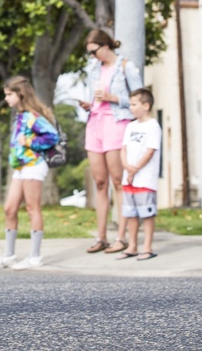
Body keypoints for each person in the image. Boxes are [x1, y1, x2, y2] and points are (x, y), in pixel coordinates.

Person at [78, 29, 143, 255]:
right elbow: (94, 98)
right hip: (95, 124)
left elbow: (140, 100)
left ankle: (122, 236)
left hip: (116, 124)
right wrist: (89, 104)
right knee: (99, 182)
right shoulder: (94, 68)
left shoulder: (126, 67)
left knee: (118, 181)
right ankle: (102, 237)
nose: (93, 56)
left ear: (105, 46)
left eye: (94, 51)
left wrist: (113, 98)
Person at [0, 76, 60, 271]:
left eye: (9, 95)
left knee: (32, 207)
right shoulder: (20, 116)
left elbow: (53, 136)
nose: (7, 99)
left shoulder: (32, 116)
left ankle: (35, 256)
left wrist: (29, 143)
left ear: (20, 94)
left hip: (33, 164)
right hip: (20, 167)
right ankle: (8, 255)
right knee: (10, 208)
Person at [117, 88, 162, 261]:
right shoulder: (130, 126)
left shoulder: (153, 126)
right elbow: (124, 149)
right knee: (130, 213)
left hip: (144, 179)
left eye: (134, 104)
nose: (131, 108)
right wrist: (127, 167)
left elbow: (150, 151)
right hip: (129, 179)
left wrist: (134, 169)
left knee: (147, 214)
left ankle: (147, 247)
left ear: (146, 105)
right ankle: (132, 246)